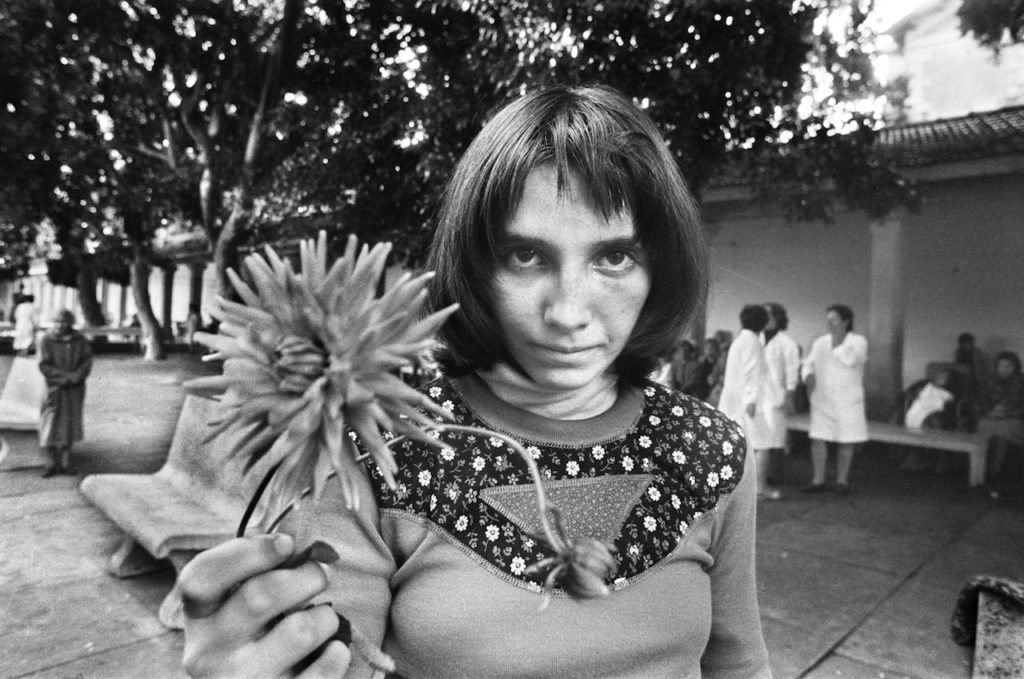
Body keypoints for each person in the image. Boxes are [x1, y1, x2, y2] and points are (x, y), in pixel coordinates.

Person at [178, 85, 770, 678]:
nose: (568, 313)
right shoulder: (377, 441)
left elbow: (739, 663)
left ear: (659, 270)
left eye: (612, 258)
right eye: (525, 256)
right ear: (475, 264)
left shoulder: (709, 451)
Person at [718, 304, 783, 500]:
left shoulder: (740, 340)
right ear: (762, 322)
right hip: (746, 402)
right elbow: (751, 372)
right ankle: (760, 488)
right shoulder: (752, 342)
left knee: (734, 444)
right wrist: (751, 400)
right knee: (763, 444)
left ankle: (729, 488)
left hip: (733, 400)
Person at [801, 304, 867, 494]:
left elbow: (852, 360)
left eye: (834, 319)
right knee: (818, 439)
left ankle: (842, 481)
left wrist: (838, 342)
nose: (829, 323)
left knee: (846, 440)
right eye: (827, 319)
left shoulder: (858, 341)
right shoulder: (820, 341)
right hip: (822, 398)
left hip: (848, 401)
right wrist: (807, 375)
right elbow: (808, 363)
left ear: (846, 321)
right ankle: (818, 480)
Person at [37, 309, 92, 477]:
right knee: (50, 424)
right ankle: (50, 463)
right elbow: (44, 364)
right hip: (54, 387)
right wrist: (63, 378)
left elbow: (86, 362)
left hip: (75, 388)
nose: (61, 325)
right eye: (58, 321)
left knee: (70, 423)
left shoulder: (80, 340)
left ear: (71, 323)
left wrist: (76, 377)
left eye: (65, 321)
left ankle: (67, 462)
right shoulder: (46, 339)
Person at [762, 302, 801, 484]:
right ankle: (755, 476)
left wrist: (789, 396)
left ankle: (774, 476)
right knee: (756, 437)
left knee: (776, 438)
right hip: (758, 397)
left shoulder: (787, 343)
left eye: (769, 315)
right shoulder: (757, 339)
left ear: (778, 318)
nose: (765, 319)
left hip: (777, 397)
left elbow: (792, 372)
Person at [976, 351, 1024, 479]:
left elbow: (1021, 406)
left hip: (1012, 419)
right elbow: (981, 400)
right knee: (983, 428)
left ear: (1015, 367)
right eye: (1001, 366)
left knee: (1002, 434)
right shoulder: (989, 380)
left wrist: (1004, 413)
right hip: (989, 417)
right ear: (997, 366)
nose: (1004, 369)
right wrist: (989, 412)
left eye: (1009, 366)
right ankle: (978, 470)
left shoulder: (1021, 382)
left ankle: (994, 471)